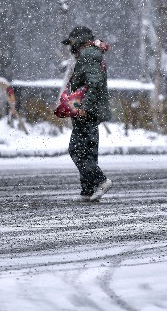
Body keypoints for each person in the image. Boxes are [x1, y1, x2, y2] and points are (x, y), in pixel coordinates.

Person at [62, 26, 113, 202]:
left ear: (78, 41)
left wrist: (83, 107)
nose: (70, 49)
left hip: (87, 112)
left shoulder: (89, 55)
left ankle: (100, 181)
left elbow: (94, 84)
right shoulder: (92, 53)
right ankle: (88, 190)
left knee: (76, 150)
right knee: (88, 152)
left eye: (71, 44)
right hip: (90, 111)